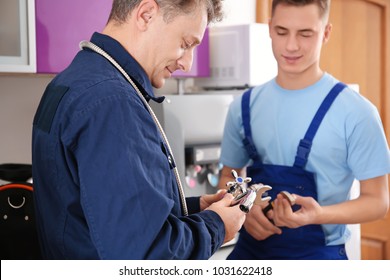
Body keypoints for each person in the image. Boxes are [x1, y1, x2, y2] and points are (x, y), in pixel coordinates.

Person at [32, 0, 246, 260]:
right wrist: (217, 226)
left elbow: (98, 213)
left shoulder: (70, 82)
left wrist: (194, 209)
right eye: (185, 43)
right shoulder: (112, 104)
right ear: (146, 14)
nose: (187, 64)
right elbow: (148, 257)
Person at [218, 0, 390, 260]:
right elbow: (227, 179)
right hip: (250, 255)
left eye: (305, 34)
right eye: (282, 32)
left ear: (326, 33)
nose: (291, 46)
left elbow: (378, 203)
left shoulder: (357, 112)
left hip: (318, 258)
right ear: (270, 28)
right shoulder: (243, 106)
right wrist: (244, 205)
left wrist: (320, 214)